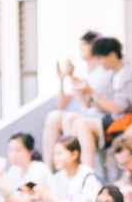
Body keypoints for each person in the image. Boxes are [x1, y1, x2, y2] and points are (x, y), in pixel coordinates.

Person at [47, 36, 132, 166]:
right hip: (106, 119)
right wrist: (81, 88)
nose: (99, 62)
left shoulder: (130, 75)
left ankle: (86, 171)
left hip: (120, 121)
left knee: (79, 123)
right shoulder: (111, 74)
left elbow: (118, 108)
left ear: (113, 55)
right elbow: (91, 104)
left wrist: (91, 92)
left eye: (100, 58)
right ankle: (64, 168)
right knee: (70, 120)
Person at [41, 30, 110, 160]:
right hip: (77, 117)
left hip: (94, 118)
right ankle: (49, 169)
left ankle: (70, 165)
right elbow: (61, 105)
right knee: (53, 116)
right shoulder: (82, 72)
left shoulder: (103, 71)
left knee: (71, 118)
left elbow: (88, 104)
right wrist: (62, 80)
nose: (81, 48)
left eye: (85, 44)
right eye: (81, 45)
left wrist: (72, 78)